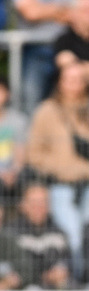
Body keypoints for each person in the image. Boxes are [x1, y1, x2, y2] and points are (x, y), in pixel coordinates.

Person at [25, 61, 89, 281]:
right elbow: (34, 153)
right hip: (60, 186)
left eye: (78, 80)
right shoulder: (47, 111)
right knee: (72, 235)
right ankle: (75, 280)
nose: (74, 84)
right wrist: (60, 168)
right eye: (69, 79)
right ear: (60, 82)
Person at [10, 182, 72, 289]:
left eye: (43, 202)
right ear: (23, 205)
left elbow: (66, 265)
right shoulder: (11, 232)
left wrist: (59, 273)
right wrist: (44, 275)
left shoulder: (59, 233)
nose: (38, 207)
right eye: (34, 203)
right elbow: (12, 271)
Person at [12, 0, 71, 112]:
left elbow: (74, 14)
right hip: (34, 50)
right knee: (31, 104)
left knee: (65, 103)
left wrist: (44, 10)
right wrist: (59, 10)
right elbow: (31, 13)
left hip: (65, 48)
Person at [0, 79, 29, 209]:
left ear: (8, 94)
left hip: (13, 176)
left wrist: (13, 171)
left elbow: (21, 153)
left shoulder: (18, 120)